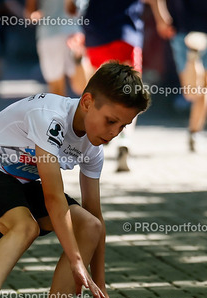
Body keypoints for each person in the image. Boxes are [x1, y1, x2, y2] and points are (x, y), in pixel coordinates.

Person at [0, 62, 151, 298]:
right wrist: (76, 261)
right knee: (25, 226)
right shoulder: (50, 117)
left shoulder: (93, 150)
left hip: (18, 179)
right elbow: (53, 198)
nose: (115, 132)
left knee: (89, 226)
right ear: (87, 102)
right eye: (110, 121)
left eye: (123, 126)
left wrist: (101, 285)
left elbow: (95, 216)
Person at [150, 0, 207, 151]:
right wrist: (160, 16)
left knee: (202, 87)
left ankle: (195, 132)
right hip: (185, 27)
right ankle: (195, 132)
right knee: (196, 90)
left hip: (204, 28)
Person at [68, 0, 145, 172]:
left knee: (97, 90)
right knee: (132, 93)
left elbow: (72, 6)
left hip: (96, 35)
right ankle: (124, 139)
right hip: (126, 33)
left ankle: (102, 132)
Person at [24, 0, 88, 96]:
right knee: (82, 87)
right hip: (72, 32)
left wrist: (39, 15)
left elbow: (30, 14)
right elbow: (78, 9)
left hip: (49, 35)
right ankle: (77, 60)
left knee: (56, 91)